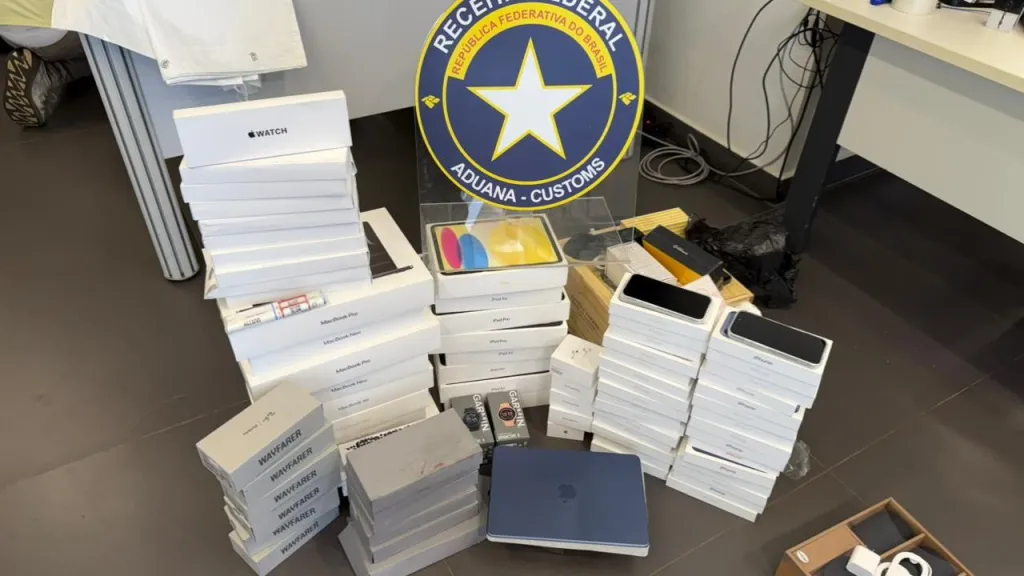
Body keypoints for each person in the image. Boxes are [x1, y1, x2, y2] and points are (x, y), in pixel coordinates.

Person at [1, 26, 91, 127]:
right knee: (100, 48)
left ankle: (45, 73)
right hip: (56, 36)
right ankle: (50, 73)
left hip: (10, 37)